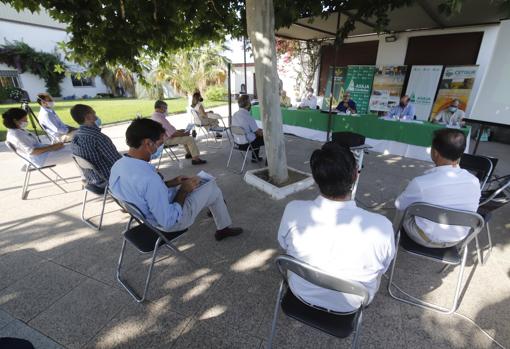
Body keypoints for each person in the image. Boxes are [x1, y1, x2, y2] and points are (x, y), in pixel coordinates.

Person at [278, 142, 395, 313]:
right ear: (356, 175)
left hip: (300, 291)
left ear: (316, 177)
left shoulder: (293, 210)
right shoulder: (382, 226)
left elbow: (283, 244)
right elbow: (383, 267)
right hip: (352, 303)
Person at [109, 118, 243, 240]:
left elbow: (143, 192)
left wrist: (173, 182)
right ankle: (223, 227)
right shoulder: (149, 178)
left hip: (148, 215)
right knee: (213, 188)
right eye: (160, 143)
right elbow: (169, 221)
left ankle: (219, 220)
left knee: (204, 187)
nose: (161, 147)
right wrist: (184, 191)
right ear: (148, 143)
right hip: (167, 224)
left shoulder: (118, 165)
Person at [395, 129, 480, 248]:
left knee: (404, 197)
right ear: (461, 153)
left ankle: (393, 236)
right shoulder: (474, 182)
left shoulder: (420, 183)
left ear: (435, 152)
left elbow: (399, 205)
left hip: (423, 237)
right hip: (457, 239)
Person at [70, 104, 122, 187]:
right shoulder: (98, 137)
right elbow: (117, 162)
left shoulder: (75, 138)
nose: (96, 115)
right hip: (107, 180)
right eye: (93, 113)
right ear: (88, 118)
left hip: (91, 180)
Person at [3, 108, 72, 167]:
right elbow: (33, 152)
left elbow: (36, 146)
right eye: (25, 119)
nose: (27, 121)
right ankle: (83, 176)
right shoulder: (16, 135)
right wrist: (52, 147)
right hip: (40, 159)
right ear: (15, 120)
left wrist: (53, 146)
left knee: (73, 147)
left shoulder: (19, 130)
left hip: (43, 154)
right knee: (78, 153)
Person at [151, 100, 207, 165]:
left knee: (184, 136)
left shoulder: (155, 116)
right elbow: (173, 134)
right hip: (166, 140)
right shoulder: (160, 118)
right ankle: (196, 159)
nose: (166, 110)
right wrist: (184, 133)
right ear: (159, 108)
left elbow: (169, 130)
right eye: (165, 108)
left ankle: (190, 153)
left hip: (162, 138)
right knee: (189, 139)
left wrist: (180, 131)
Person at [232, 94, 265, 162]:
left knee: (254, 135)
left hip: (237, 143)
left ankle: (255, 158)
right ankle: (269, 162)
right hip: (247, 144)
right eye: (250, 102)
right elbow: (257, 132)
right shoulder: (248, 117)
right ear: (247, 104)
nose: (251, 104)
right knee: (267, 138)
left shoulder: (235, 115)